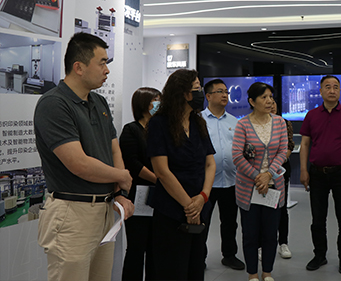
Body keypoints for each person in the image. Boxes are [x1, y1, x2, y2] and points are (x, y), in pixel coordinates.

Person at [34, 32, 135, 281]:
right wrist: (121, 176)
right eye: (102, 63)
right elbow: (78, 164)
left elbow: (113, 149)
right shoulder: (53, 104)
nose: (107, 70)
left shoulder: (99, 102)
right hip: (72, 213)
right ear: (78, 67)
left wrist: (120, 192)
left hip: (104, 210)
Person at [147, 69, 216, 280]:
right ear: (183, 93)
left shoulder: (198, 122)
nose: (200, 94)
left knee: (195, 268)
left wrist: (203, 197)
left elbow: (210, 163)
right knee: (172, 270)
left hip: (199, 206)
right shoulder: (159, 123)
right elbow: (162, 171)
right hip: (172, 209)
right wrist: (189, 206)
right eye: (196, 89)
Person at [299, 75, 341, 275]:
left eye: (336, 87)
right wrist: (303, 170)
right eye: (327, 87)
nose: (332, 90)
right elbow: (305, 144)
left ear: (340, 91)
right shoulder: (311, 115)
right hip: (317, 174)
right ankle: (320, 255)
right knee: (318, 219)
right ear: (320, 91)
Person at [232, 82, 288, 281]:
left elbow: (282, 151)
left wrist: (268, 175)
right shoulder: (243, 124)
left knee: (270, 233)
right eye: (264, 97)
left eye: (270, 96)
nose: (269, 101)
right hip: (249, 188)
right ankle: (253, 274)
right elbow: (237, 156)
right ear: (252, 101)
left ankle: (267, 272)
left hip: (273, 186)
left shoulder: (279, 122)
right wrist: (258, 177)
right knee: (250, 234)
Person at [200, 79, 245, 270]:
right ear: (208, 96)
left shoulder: (235, 121)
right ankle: (199, 258)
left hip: (231, 180)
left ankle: (229, 255)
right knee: (203, 222)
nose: (225, 95)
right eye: (220, 91)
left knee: (230, 222)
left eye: (226, 91)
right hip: (206, 182)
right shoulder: (198, 120)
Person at [120, 87, 161, 280]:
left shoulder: (160, 129)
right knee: (137, 247)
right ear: (144, 104)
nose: (159, 104)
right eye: (156, 100)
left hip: (159, 195)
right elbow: (132, 163)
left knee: (156, 247)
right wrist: (159, 179)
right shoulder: (131, 130)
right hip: (138, 195)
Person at [270, 101, 294, 259]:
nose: (271, 105)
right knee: (262, 209)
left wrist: (277, 163)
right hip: (259, 172)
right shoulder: (251, 124)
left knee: (281, 207)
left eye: (273, 102)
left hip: (280, 171)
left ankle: (283, 243)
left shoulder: (284, 123)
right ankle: (262, 245)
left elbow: (289, 145)